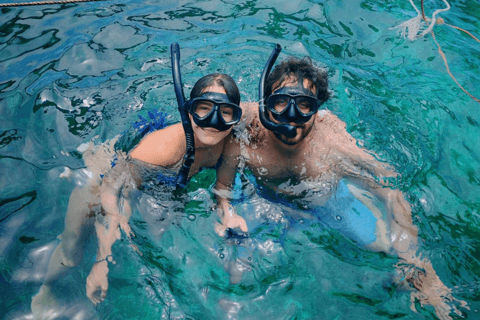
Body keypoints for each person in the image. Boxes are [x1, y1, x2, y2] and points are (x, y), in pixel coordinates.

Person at [214, 45, 467, 320]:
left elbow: (390, 188)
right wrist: (226, 210)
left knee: (386, 247)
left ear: (317, 108)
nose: (291, 115)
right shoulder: (248, 127)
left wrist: (410, 252)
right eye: (280, 102)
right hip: (262, 197)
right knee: (237, 271)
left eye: (304, 105)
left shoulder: (332, 141)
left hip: (324, 199)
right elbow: (223, 182)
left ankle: (421, 285)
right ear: (266, 102)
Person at [31, 44, 243, 313]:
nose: (214, 121)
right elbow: (114, 193)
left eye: (226, 112)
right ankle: (46, 288)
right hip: (106, 185)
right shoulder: (162, 147)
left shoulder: (230, 142)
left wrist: (228, 213)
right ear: (188, 111)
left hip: (158, 186)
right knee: (72, 250)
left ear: (236, 118)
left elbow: (223, 187)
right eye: (204, 109)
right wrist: (102, 261)